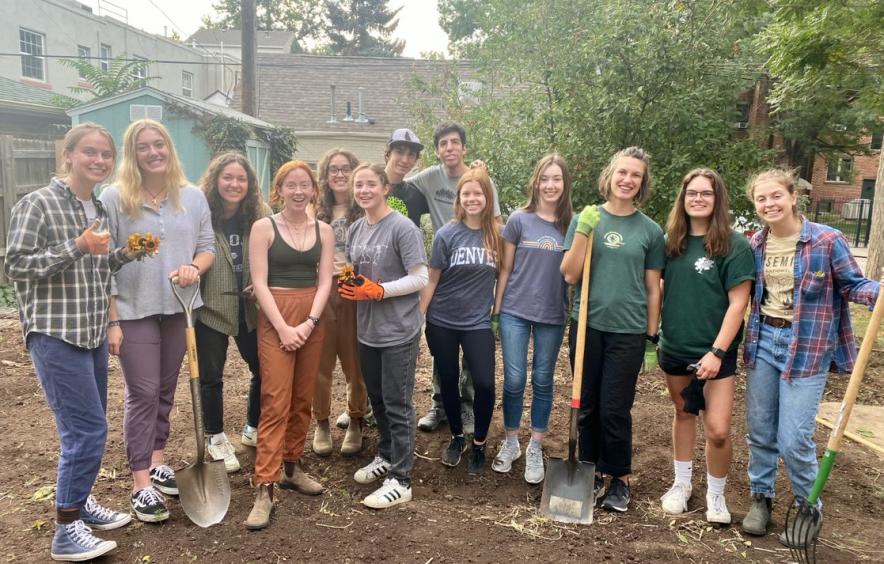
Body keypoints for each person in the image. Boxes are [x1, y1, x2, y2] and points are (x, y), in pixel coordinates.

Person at [5, 123, 136, 561]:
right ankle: (65, 530)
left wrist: (126, 253)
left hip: (91, 331)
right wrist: (78, 246)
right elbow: (16, 266)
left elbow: (96, 271)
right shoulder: (37, 203)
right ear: (69, 155)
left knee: (87, 427)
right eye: (90, 153)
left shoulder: (95, 206)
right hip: (55, 334)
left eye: (105, 154)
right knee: (86, 431)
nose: (99, 161)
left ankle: (79, 506)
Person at [739, 169, 880, 546]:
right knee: (760, 429)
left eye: (775, 196)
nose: (769, 204)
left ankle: (808, 508)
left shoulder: (826, 240)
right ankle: (761, 498)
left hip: (808, 347)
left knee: (795, 437)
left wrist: (877, 292)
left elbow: (854, 284)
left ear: (792, 197)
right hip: (763, 340)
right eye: (761, 199)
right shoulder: (756, 244)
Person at [101, 118, 215, 523]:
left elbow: (206, 248)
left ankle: (157, 458)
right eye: (144, 147)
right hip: (133, 310)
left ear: (169, 148)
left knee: (166, 388)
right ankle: (140, 483)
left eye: (159, 145)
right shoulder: (115, 197)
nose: (154, 153)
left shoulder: (192, 196)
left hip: (180, 307)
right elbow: (104, 262)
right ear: (133, 155)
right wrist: (112, 320)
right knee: (143, 391)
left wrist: (192, 268)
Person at [560, 147, 664, 513]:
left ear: (642, 182)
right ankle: (589, 473)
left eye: (635, 175)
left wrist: (652, 338)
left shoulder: (650, 231)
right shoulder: (587, 218)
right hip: (587, 326)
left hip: (628, 331)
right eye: (623, 172)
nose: (627, 179)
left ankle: (619, 477)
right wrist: (584, 232)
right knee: (586, 406)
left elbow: (654, 288)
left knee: (615, 409)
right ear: (611, 174)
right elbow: (570, 274)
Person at [657, 169, 755, 524]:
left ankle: (716, 494)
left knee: (717, 429)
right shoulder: (672, 241)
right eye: (692, 193)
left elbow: (737, 303)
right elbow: (662, 287)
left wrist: (716, 352)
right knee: (683, 413)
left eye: (706, 194)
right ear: (683, 199)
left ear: (718, 200)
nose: (698, 199)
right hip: (676, 347)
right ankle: (681, 484)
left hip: (715, 354)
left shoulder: (734, 245)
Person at [245, 160, 335, 530]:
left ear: (314, 190)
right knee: (275, 402)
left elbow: (326, 281)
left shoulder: (324, 230)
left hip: (312, 314)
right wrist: (283, 327)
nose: (298, 192)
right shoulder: (263, 228)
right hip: (276, 317)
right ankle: (265, 487)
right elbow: (259, 283)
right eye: (290, 185)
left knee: (303, 398)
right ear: (278, 190)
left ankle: (292, 468)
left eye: (305, 185)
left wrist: (310, 322)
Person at [342, 163, 428, 509]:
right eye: (358, 185)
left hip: (399, 331)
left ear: (384, 189)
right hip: (368, 331)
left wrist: (379, 291)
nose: (364, 190)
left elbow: (420, 277)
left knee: (398, 404)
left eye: (370, 185)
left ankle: (401, 478)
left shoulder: (403, 228)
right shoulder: (356, 229)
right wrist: (346, 280)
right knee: (378, 401)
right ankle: (387, 455)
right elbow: (355, 274)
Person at [408, 122, 501, 433]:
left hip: (475, 265)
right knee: (443, 359)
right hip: (445, 259)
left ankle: (468, 406)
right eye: (443, 143)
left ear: (464, 147)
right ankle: (440, 406)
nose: (449, 148)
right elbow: (398, 182)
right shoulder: (428, 177)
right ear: (437, 150)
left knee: (474, 362)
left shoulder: (481, 180)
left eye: (455, 143)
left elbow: (497, 223)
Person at [491, 154, 573, 484]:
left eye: (557, 179)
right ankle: (511, 441)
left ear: (565, 184)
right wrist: (496, 311)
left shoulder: (572, 225)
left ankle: (535, 445)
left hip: (552, 314)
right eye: (545, 178)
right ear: (536, 183)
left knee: (542, 379)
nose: (550, 185)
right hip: (515, 311)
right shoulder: (518, 221)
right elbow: (506, 269)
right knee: (513, 379)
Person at [420, 169, 501, 474]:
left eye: (477, 193)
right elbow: (432, 279)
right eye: (466, 193)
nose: (471, 198)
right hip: (442, 319)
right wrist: (420, 317)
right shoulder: (446, 235)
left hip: (478, 322)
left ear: (486, 198)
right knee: (448, 380)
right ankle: (456, 437)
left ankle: (479, 443)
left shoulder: (498, 234)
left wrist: (498, 313)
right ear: (459, 199)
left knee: (484, 383)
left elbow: (504, 276)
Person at [195, 152, 270, 472]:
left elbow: (273, 251)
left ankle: (253, 426)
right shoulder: (201, 213)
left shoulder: (258, 214)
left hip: (250, 307)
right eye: (228, 178)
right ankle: (215, 436)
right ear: (215, 180)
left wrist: (264, 283)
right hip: (211, 306)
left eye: (241, 179)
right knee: (210, 376)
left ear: (250, 184)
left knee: (264, 368)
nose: (234, 184)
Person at [312, 148, 370, 457]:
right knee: (321, 361)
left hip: (355, 290)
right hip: (323, 289)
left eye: (345, 168)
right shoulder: (315, 211)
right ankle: (321, 421)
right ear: (325, 176)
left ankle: (356, 419)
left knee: (353, 360)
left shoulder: (364, 210)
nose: (339, 174)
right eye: (333, 169)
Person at [386, 128, 429, 228]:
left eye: (411, 154)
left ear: (415, 160)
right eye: (399, 152)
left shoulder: (416, 194)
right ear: (388, 154)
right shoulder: (368, 188)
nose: (405, 160)